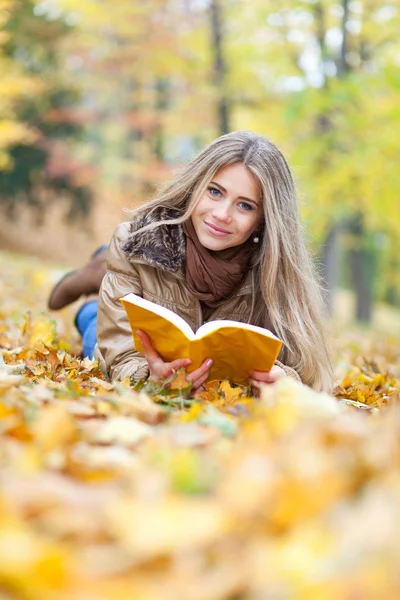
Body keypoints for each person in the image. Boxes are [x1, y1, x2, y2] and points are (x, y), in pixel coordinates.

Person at [95, 131, 334, 392]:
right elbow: (116, 350)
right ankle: (92, 276)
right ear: (195, 186)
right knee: (88, 319)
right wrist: (146, 377)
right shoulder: (135, 242)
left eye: (245, 206)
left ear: (263, 220)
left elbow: (306, 375)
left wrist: (283, 382)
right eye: (215, 191)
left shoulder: (274, 275)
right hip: (102, 334)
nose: (222, 215)